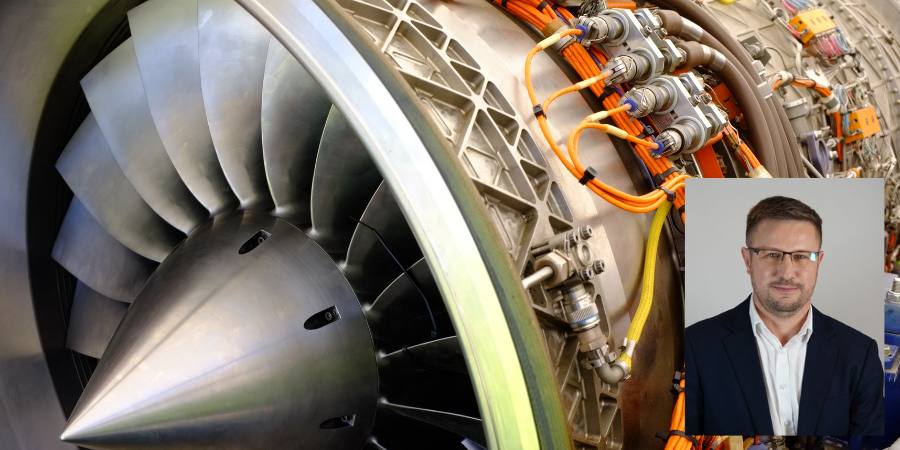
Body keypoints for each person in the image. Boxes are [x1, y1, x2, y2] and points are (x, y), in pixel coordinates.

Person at [685, 195, 884, 436]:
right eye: (771, 254)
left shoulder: (859, 355)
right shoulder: (696, 347)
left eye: (801, 256)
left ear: (818, 261)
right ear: (747, 260)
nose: (787, 272)